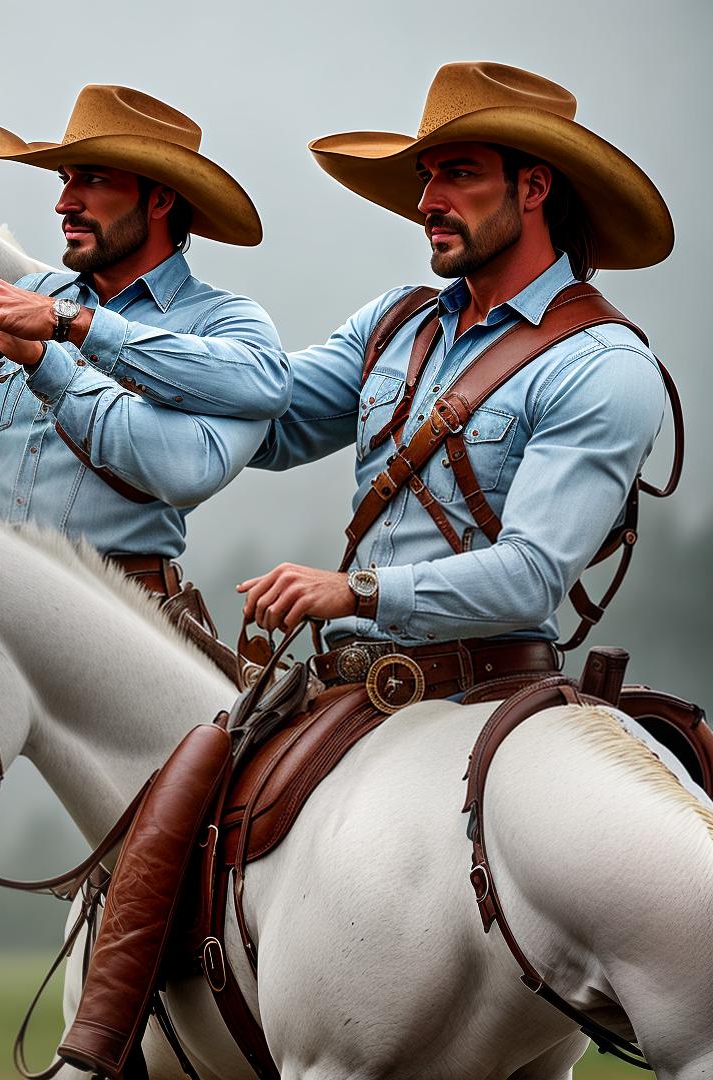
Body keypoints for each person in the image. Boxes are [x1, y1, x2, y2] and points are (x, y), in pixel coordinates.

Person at [239, 61, 674, 708]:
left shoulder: (603, 365)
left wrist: (357, 591)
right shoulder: (393, 323)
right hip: (344, 691)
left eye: (459, 173)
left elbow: (530, 578)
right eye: (425, 176)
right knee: (188, 798)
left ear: (533, 187)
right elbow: (264, 422)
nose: (425, 202)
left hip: (483, 697)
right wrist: (71, 344)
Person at [0, 85, 288, 639]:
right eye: (65, 179)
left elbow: (182, 471)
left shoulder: (226, 325)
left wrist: (50, 349)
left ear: (161, 199)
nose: (64, 202)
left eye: (93, 179)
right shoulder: (31, 292)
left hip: (124, 625)